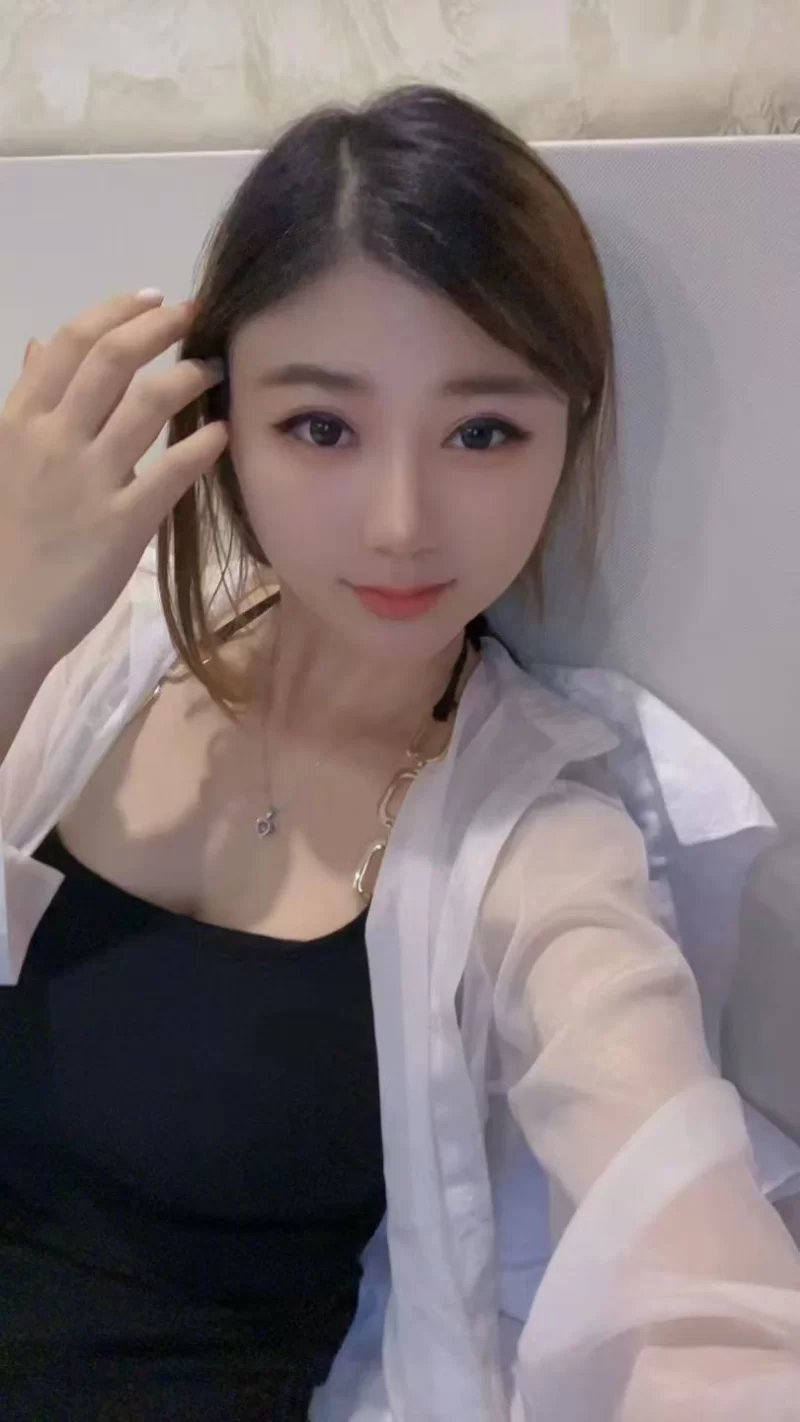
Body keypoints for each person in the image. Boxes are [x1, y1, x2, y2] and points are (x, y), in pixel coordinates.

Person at [0, 83, 799, 1422]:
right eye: (322, 425)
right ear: (222, 417)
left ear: (566, 435)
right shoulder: (85, 654)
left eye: (484, 431)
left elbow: (688, 1261)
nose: (400, 521)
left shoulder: (535, 837)